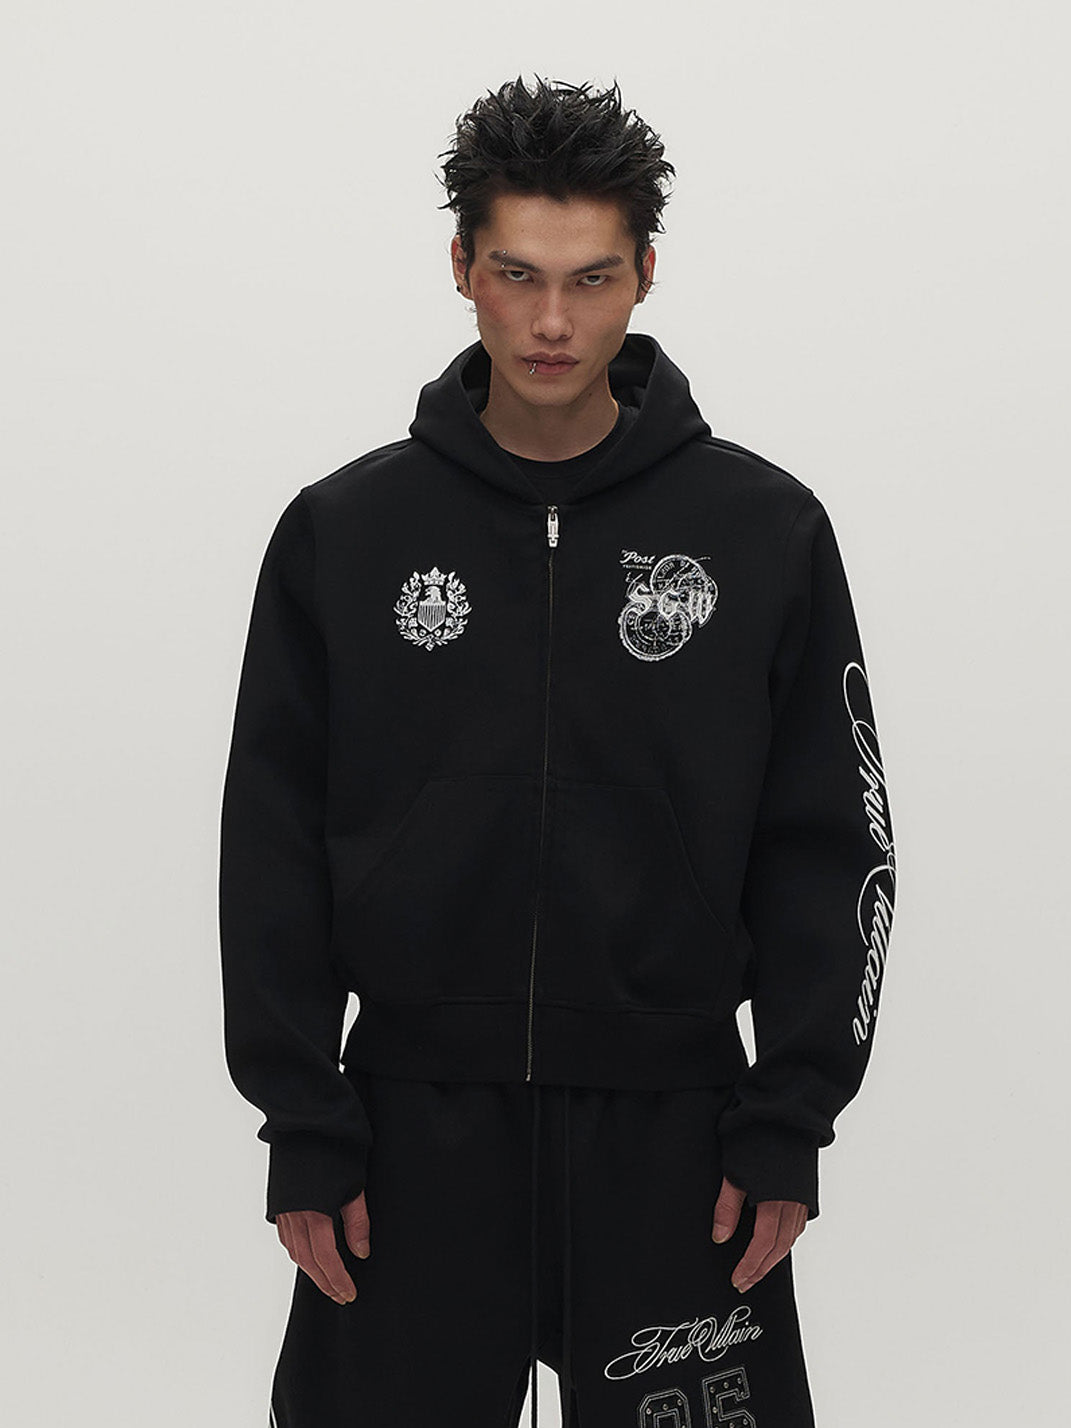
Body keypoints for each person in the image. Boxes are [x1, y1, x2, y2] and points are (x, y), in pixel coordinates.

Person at [218, 73, 896, 1428]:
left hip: (679, 1140)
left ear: (645, 273)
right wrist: (304, 1117)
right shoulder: (343, 535)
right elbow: (269, 847)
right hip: (408, 1138)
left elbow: (832, 847)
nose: (551, 323)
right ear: (460, 266)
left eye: (592, 280)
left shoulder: (764, 534)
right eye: (517, 274)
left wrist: (788, 1115)